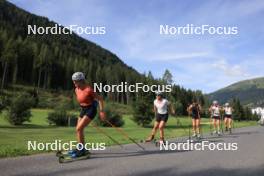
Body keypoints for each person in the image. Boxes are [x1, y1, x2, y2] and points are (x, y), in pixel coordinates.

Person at [70, 72, 105, 157]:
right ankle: (81, 148)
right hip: (83, 110)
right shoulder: (76, 90)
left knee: (79, 128)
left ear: (81, 81)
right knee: (78, 129)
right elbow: (82, 101)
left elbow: (100, 99)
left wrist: (102, 111)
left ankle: (81, 150)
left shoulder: (88, 89)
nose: (74, 83)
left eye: (76, 81)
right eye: (73, 81)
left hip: (91, 110)